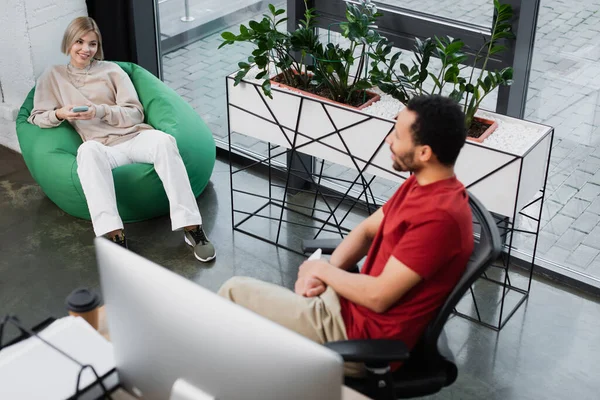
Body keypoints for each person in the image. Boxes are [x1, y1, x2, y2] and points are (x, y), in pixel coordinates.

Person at [218, 95, 474, 375]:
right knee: (242, 326)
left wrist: (322, 271)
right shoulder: (421, 184)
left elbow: (378, 297)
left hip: (356, 336)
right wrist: (321, 272)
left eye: (397, 135)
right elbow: (365, 232)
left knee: (233, 294)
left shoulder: (439, 218)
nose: (389, 140)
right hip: (346, 307)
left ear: (424, 152)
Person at [28, 16, 215, 262]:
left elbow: (135, 112)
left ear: (98, 46)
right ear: (69, 43)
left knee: (165, 141)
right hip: (104, 149)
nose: (86, 49)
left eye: (92, 44)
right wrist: (60, 114)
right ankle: (114, 235)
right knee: (86, 152)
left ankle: (191, 228)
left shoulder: (112, 70)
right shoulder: (53, 76)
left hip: (135, 137)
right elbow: (36, 117)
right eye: (80, 42)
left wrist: (99, 111)